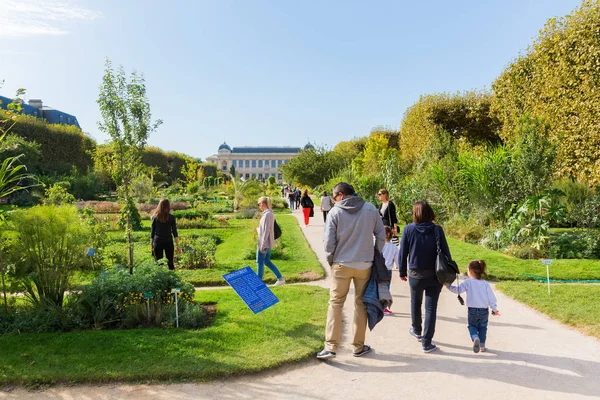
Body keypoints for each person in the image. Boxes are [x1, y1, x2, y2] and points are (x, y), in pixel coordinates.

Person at [317, 182, 385, 360]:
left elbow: (328, 242)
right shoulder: (370, 209)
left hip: (341, 263)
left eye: (334, 196)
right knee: (361, 304)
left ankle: (331, 346)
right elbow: (381, 234)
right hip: (364, 263)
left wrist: (331, 260)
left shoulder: (335, 212)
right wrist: (375, 253)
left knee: (336, 303)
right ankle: (358, 346)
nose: (333, 199)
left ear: (340, 195)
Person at [399, 200, 449, 353]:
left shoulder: (408, 230)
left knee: (415, 302)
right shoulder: (437, 230)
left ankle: (416, 330)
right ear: (430, 213)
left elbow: (403, 253)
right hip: (435, 275)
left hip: (415, 274)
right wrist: (448, 273)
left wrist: (402, 271)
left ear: (415, 214)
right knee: (430, 308)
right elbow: (446, 253)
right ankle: (427, 343)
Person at [445, 260, 499, 353]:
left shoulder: (468, 282)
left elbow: (458, 290)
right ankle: (482, 345)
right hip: (484, 311)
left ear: (470, 271)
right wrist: (494, 309)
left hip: (472, 310)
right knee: (483, 328)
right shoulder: (485, 284)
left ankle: (475, 337)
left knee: (472, 326)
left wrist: (449, 286)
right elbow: (491, 298)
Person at [256, 196, 285, 286]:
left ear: (263, 204)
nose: (258, 206)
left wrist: (262, 245)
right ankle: (280, 278)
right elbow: (266, 229)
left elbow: (266, 231)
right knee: (267, 261)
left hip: (264, 243)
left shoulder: (267, 215)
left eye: (258, 204)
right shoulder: (269, 213)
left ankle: (259, 283)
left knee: (260, 262)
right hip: (268, 242)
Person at [151, 198, 181, 270]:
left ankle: (159, 280)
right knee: (170, 263)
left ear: (159, 206)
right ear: (168, 206)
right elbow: (175, 233)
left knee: (159, 264)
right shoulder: (172, 218)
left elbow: (152, 232)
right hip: (168, 241)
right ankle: (172, 279)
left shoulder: (155, 218)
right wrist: (178, 246)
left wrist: (151, 245)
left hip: (158, 241)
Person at [382, 226, 400, 316]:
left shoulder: (376, 245)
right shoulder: (394, 247)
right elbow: (397, 260)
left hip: (376, 270)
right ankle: (383, 308)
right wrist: (401, 269)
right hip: (387, 271)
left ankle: (375, 306)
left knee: (376, 287)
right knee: (386, 289)